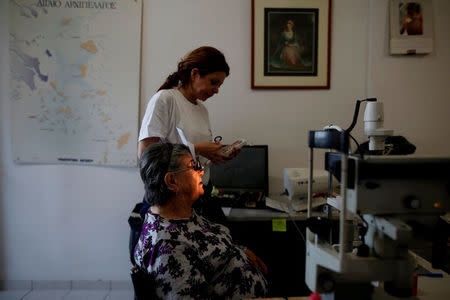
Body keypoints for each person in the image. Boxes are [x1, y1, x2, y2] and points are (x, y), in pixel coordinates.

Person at [134, 142, 268, 299]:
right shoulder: (169, 247)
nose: (202, 171)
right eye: (193, 166)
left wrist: (239, 251)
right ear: (172, 181)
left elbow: (207, 245)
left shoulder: (181, 215)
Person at [138, 46, 238, 222]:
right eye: (214, 82)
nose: (217, 90)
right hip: (172, 199)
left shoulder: (202, 110)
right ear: (195, 74)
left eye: (220, 85)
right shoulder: (166, 99)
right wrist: (197, 148)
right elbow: (146, 154)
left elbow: (196, 157)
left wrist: (216, 154)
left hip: (200, 194)